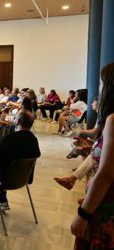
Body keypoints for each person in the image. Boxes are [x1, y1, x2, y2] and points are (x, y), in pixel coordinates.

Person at [71, 62, 114, 249]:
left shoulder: (113, 120)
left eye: (101, 83)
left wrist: (84, 213)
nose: (99, 88)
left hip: (106, 206)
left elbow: (106, 175)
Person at [0, 110, 41, 217]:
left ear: (17, 121)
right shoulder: (33, 139)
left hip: (5, 179)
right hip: (22, 178)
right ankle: (2, 201)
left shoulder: (11, 138)